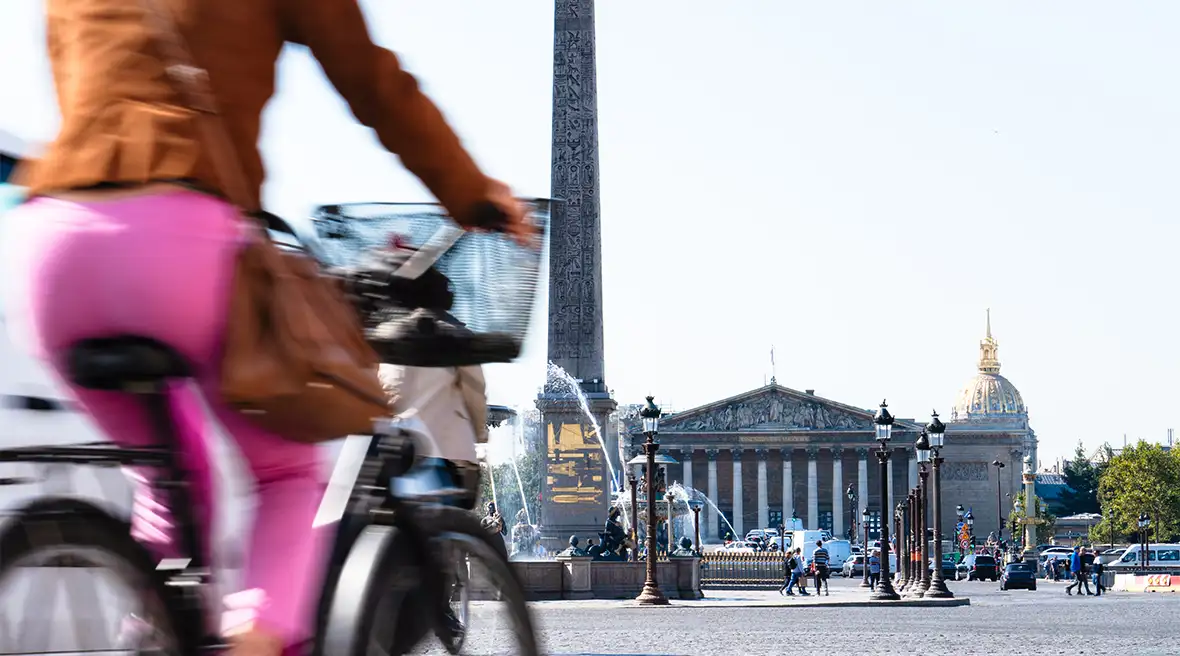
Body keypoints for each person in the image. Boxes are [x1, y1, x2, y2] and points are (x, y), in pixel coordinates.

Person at [1, 1, 533, 654]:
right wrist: (472, 194)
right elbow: (374, 82)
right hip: (175, 237)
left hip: (49, 245)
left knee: (164, 477)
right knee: (285, 474)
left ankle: (149, 633)